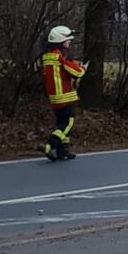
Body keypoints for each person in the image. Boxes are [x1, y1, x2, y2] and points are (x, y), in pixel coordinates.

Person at [40, 24, 87, 162]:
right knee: (68, 123)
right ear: (60, 40)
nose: (70, 41)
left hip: (54, 97)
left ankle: (63, 151)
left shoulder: (48, 56)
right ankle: (50, 145)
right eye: (68, 39)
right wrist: (83, 68)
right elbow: (77, 73)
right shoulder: (59, 58)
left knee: (61, 123)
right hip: (64, 97)